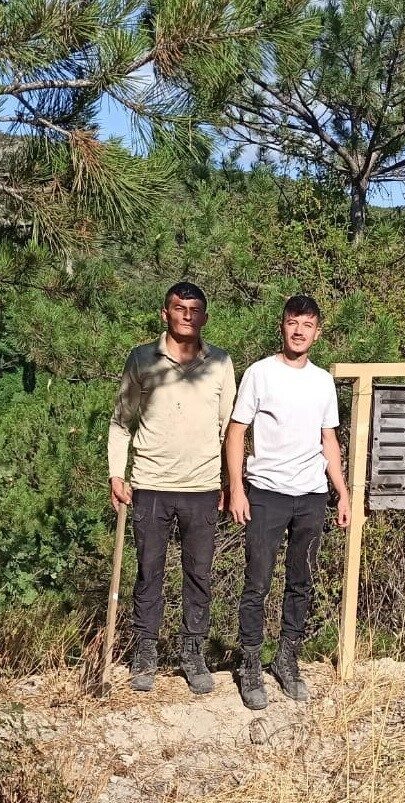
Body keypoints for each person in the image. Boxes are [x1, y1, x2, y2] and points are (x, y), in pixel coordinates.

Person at [108, 281, 236, 694]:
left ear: (204, 316)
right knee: (149, 573)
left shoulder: (220, 363)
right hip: (150, 485)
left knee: (198, 575)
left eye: (194, 309)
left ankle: (193, 654)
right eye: (178, 308)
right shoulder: (142, 358)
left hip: (201, 487)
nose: (186, 315)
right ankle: (145, 655)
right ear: (165, 313)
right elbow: (120, 422)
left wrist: (229, 483)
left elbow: (229, 428)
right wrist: (116, 474)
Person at [225, 295, 351, 710]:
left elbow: (328, 438)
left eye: (307, 324)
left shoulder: (321, 381)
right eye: (292, 322)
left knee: (302, 581)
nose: (299, 331)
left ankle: (287, 659)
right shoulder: (260, 373)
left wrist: (342, 493)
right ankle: (250, 665)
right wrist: (238, 489)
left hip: (312, 496)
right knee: (257, 582)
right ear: (282, 326)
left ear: (318, 331)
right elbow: (237, 432)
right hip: (266, 493)